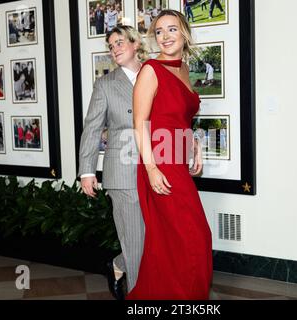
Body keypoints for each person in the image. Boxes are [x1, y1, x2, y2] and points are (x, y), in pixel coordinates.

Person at [127, 9, 212, 300]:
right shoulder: (150, 69)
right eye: (159, 31)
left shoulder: (184, 68)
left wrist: (196, 145)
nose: (165, 36)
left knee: (169, 243)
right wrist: (151, 168)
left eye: (172, 29)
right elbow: (140, 122)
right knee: (194, 238)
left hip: (177, 156)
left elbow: (183, 118)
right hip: (160, 161)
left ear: (184, 33)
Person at [78, 25, 148, 300]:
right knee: (134, 238)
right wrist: (87, 170)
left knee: (154, 236)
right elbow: (92, 128)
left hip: (157, 165)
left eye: (120, 42)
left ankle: (117, 265)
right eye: (111, 45)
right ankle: (139, 299)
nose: (114, 49)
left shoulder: (154, 74)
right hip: (123, 170)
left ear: (135, 44)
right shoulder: (105, 84)